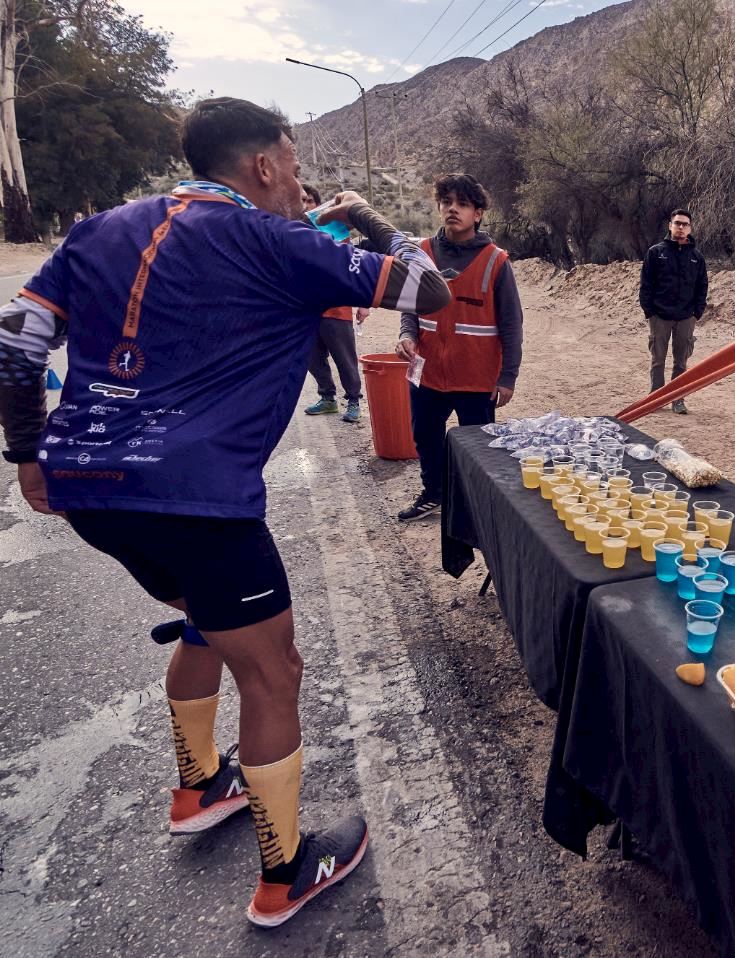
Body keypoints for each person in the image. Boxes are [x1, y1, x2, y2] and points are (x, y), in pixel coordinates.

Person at [0, 97, 451, 926]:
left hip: (89, 492)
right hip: (197, 501)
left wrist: (27, 454)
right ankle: (286, 876)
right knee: (274, 670)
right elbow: (429, 285)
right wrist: (366, 219)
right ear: (266, 166)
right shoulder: (284, 242)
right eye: (295, 163)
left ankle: (201, 786)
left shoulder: (98, 229)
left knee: (207, 620)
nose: (302, 181)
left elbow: (16, 339)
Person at [394, 174, 523, 522]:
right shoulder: (420, 253)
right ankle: (433, 493)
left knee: (480, 448)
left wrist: (507, 376)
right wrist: (407, 335)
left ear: (478, 214)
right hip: (428, 370)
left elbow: (512, 324)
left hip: (477, 377)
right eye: (447, 201)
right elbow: (410, 305)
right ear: (439, 206)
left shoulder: (496, 261)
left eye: (463, 204)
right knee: (425, 437)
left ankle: (480, 507)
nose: (453, 209)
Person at [300, 183, 368, 423]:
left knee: (345, 358)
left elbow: (353, 269)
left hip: (336, 307)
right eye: (302, 201)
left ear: (317, 205)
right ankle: (327, 398)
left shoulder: (336, 232)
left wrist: (363, 303)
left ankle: (353, 401)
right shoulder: (292, 232)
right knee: (311, 356)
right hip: (307, 309)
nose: (305, 205)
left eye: (309, 200)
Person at [639, 208, 707, 414]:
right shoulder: (656, 252)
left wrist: (697, 312)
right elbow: (646, 284)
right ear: (670, 226)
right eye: (677, 223)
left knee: (681, 361)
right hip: (659, 316)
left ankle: (677, 400)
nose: (681, 227)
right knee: (658, 359)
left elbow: (702, 286)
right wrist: (649, 310)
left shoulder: (696, 257)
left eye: (685, 224)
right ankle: (656, 398)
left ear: (690, 228)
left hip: (686, 317)